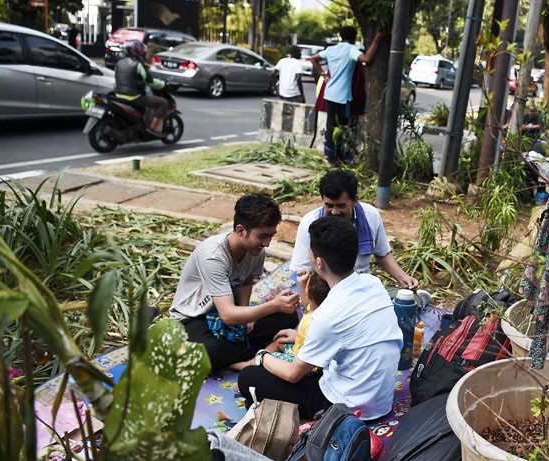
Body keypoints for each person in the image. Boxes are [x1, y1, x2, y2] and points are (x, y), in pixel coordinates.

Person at [238, 216, 403, 420]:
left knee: (249, 377)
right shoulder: (373, 283)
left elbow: (292, 373)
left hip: (347, 408)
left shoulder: (328, 314)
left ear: (318, 262)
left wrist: (262, 356)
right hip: (380, 401)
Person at [170, 194, 300, 372]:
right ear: (240, 230)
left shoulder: (256, 249)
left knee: (289, 317)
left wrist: (247, 317)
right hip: (194, 318)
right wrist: (273, 306)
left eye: (271, 236)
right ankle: (253, 353)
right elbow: (228, 315)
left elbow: (246, 282)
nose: (267, 243)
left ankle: (244, 350)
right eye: (262, 236)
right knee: (210, 352)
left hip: (226, 309)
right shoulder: (213, 256)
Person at [290, 170, 419, 290]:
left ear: (355, 200)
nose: (334, 212)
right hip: (326, 290)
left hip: (362, 286)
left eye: (341, 206)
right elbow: (302, 271)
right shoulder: (309, 223)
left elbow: (382, 253)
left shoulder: (371, 216)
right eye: (329, 205)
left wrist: (403, 277)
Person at [310, 26, 386, 166]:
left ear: (340, 35)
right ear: (353, 38)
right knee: (344, 127)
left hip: (329, 92)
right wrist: (377, 39)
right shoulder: (351, 49)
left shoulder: (331, 49)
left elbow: (313, 59)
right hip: (343, 95)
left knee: (331, 125)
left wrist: (323, 74)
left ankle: (331, 159)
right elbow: (367, 59)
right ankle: (341, 156)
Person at [269, 270, 329, 366]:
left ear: (307, 293)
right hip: (298, 347)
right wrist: (302, 283)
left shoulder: (312, 323)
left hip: (299, 359)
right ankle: (251, 362)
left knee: (271, 357)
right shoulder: (318, 309)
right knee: (278, 342)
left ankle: (255, 362)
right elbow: (307, 304)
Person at [114, 40, 168, 137]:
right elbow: (150, 81)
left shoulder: (119, 63)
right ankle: (152, 128)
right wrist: (163, 84)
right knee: (163, 103)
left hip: (118, 95)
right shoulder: (137, 64)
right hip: (134, 97)